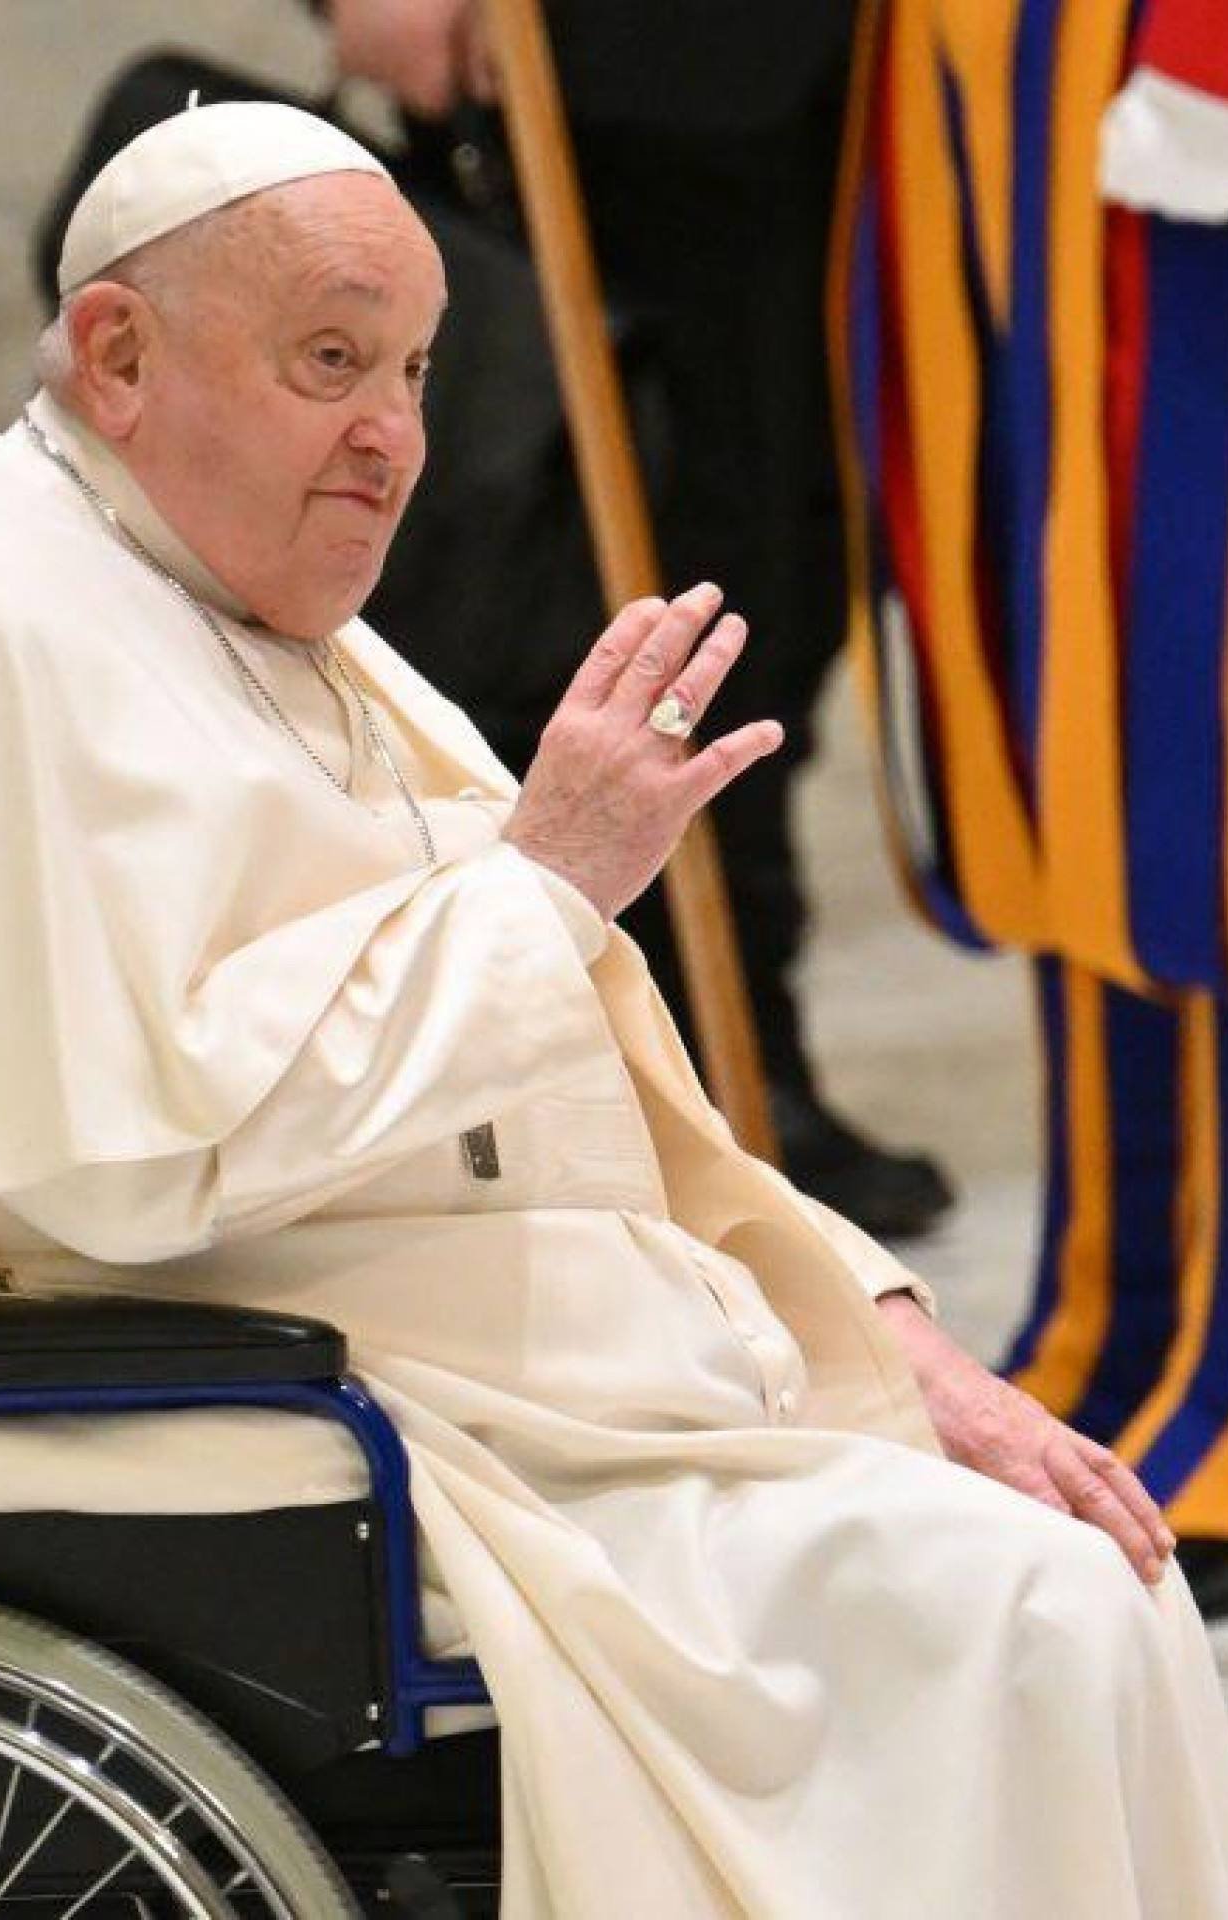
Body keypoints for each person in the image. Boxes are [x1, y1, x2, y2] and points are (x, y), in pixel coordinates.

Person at [0, 103, 1228, 1916]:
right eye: (330, 360)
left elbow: (565, 1058)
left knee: (1075, 1567)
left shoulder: (233, 600)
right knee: (1025, 1609)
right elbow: (148, 1156)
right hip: (219, 1410)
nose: (392, 437)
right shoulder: (1, 619)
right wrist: (544, 877)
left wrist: (881, 1329)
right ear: (119, 356)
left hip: (450, 1374)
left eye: (412, 370)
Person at [835, 0, 1228, 1615]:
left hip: (1186, 80)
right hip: (1000, 92)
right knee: (1072, 721)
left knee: (1223, 737)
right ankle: (1114, 1326)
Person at [309, 0, 957, 1237]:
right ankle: (625, 1063)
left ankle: (730, 1035)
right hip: (617, 76)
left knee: (791, 552)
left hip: (877, 80)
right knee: (614, 558)